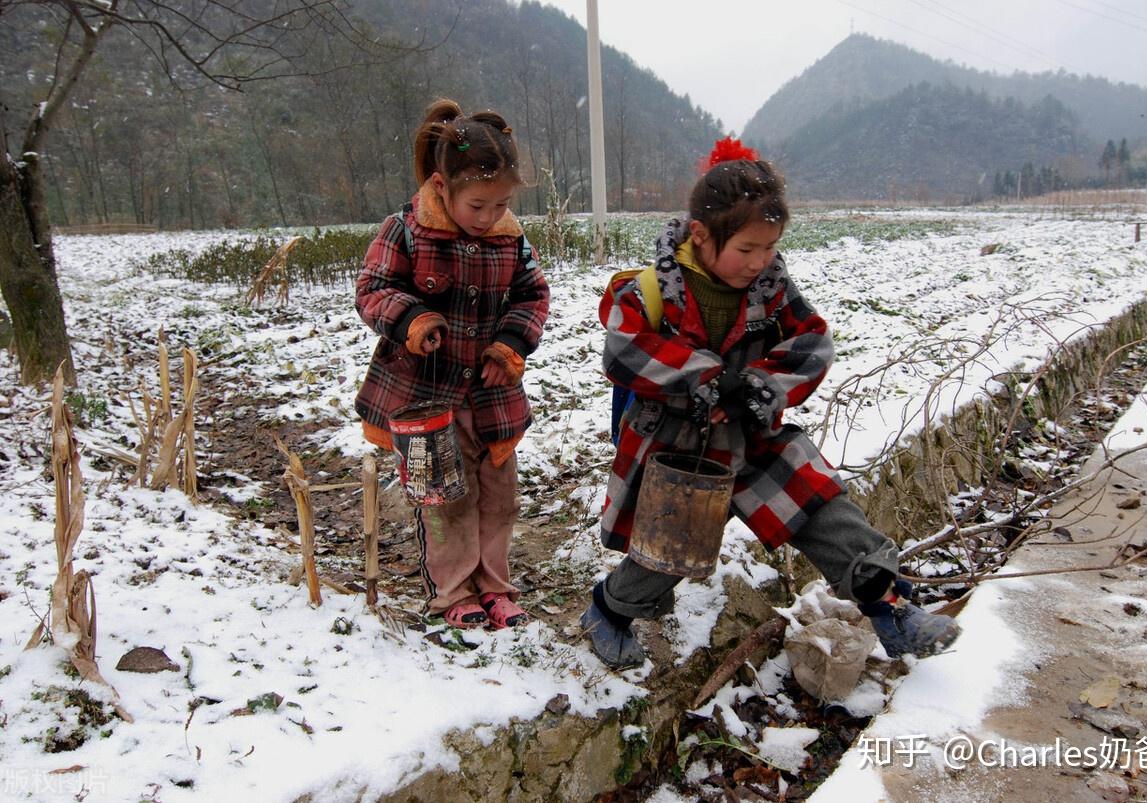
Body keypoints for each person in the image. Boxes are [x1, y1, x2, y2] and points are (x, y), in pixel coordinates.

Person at [581, 138, 960, 668]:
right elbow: (625, 351)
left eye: (770, 247)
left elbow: (812, 343)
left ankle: (890, 608)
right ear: (700, 235)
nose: (759, 262)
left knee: (820, 505)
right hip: (677, 443)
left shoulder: (772, 288)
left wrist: (761, 385)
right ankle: (609, 610)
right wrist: (708, 379)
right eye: (747, 249)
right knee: (667, 549)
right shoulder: (651, 291)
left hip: (753, 434)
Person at [355, 99, 550, 630]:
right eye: (478, 206)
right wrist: (412, 320)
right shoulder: (406, 231)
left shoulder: (511, 239)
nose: (490, 219)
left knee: (499, 495)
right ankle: (454, 589)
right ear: (442, 187)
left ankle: (495, 584)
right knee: (445, 500)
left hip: (491, 399)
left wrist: (510, 347)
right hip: (426, 399)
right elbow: (372, 288)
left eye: (501, 204)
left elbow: (533, 295)